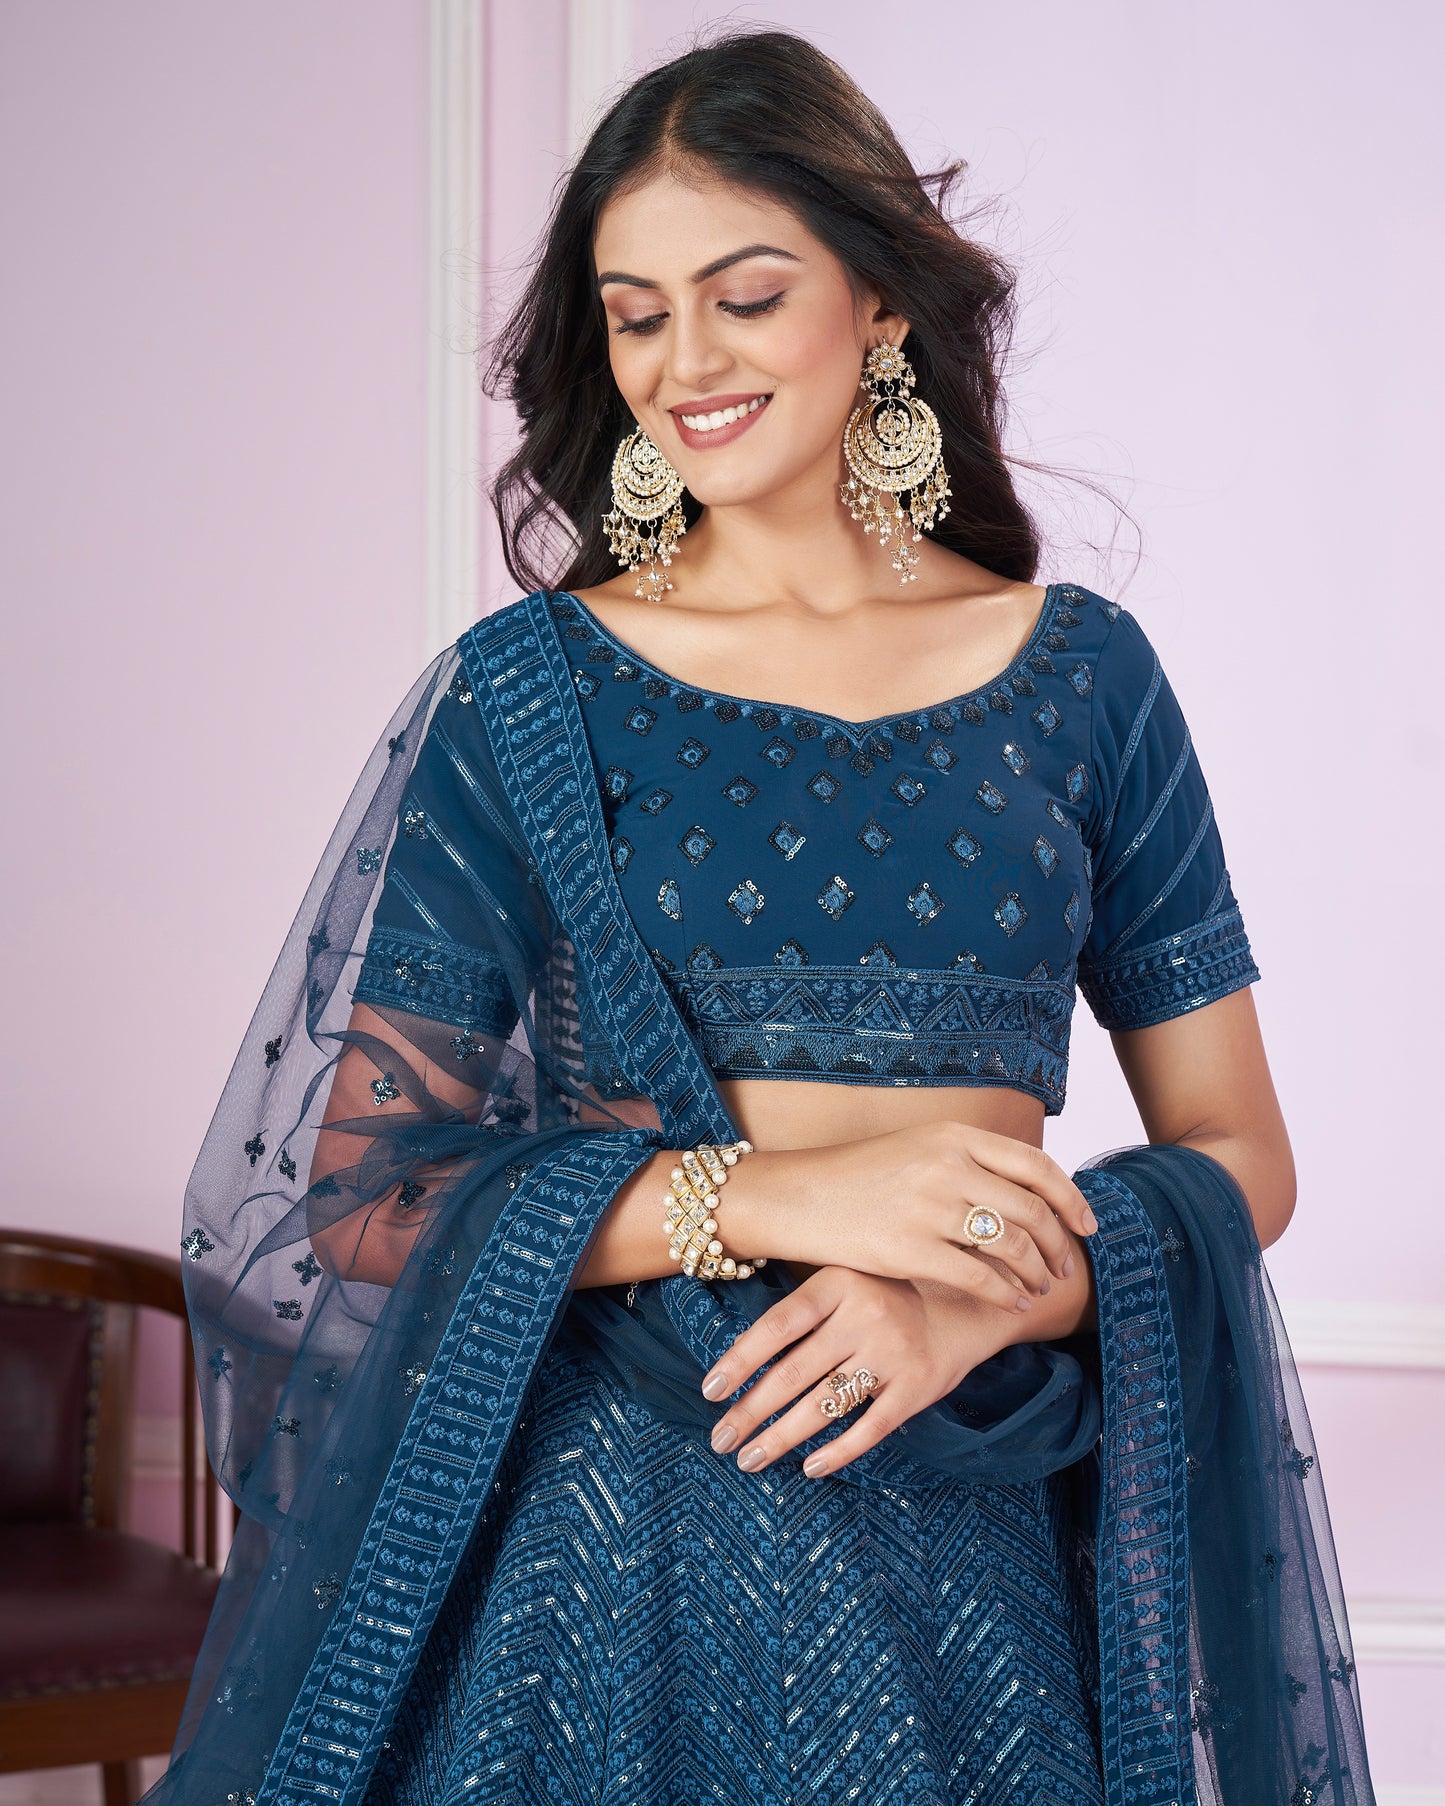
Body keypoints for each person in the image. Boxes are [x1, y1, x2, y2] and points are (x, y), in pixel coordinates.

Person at [150, 27, 1375, 1806]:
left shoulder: (1082, 681)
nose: (683, 364)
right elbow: (366, 1192)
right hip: (604, 1548)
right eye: (637, 314)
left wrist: (977, 1302)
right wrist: (779, 1198)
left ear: (878, 300)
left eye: (742, 295)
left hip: (978, 1541)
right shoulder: (528, 696)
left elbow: (1235, 1150)